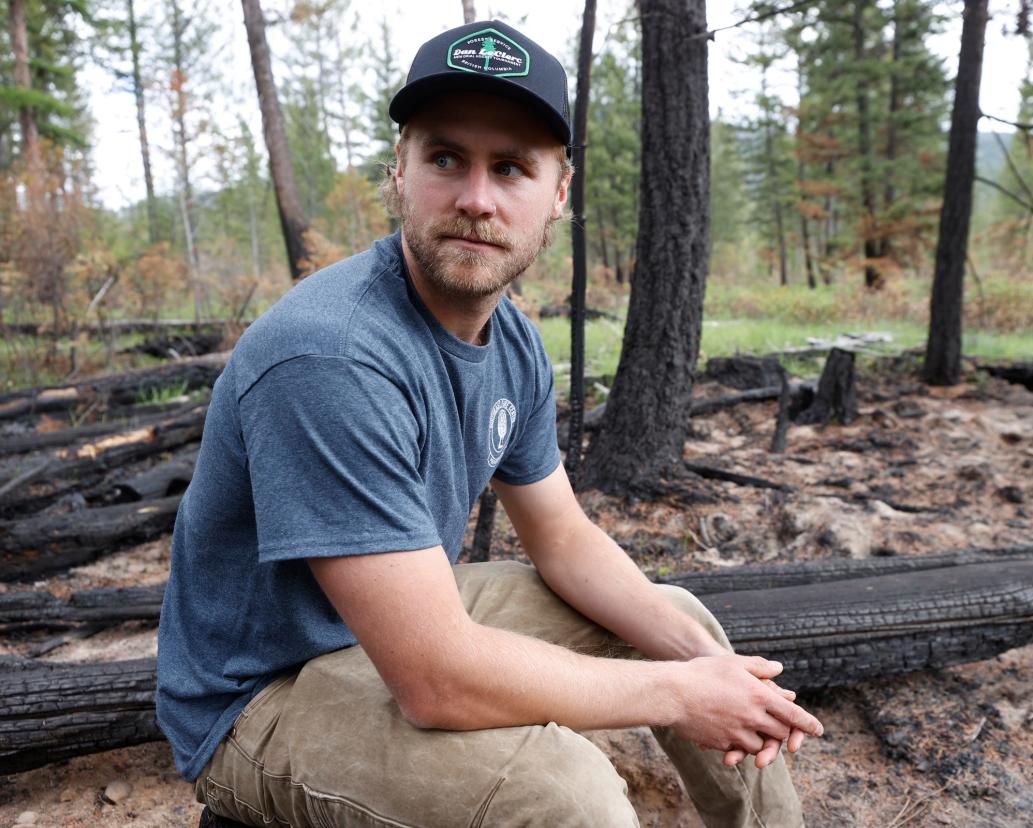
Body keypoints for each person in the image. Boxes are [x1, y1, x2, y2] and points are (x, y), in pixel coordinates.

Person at [156, 19, 822, 828]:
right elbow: (437, 680)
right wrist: (679, 694)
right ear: (399, 169)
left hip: (394, 627)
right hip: (260, 692)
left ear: (560, 192)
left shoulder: (511, 342)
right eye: (446, 159)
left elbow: (565, 539)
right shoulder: (330, 355)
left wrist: (717, 675)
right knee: (561, 795)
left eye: (511, 167)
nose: (476, 198)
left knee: (680, 622)